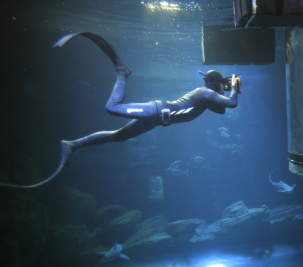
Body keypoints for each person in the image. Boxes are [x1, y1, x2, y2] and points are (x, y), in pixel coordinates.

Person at [0, 32, 239, 188]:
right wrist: (235, 87)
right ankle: (122, 72)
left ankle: (73, 144)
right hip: (157, 111)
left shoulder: (207, 98)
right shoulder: (206, 92)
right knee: (111, 108)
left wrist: (229, 87)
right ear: (215, 84)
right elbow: (231, 104)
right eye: (222, 85)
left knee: (119, 136)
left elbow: (221, 111)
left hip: (158, 119)